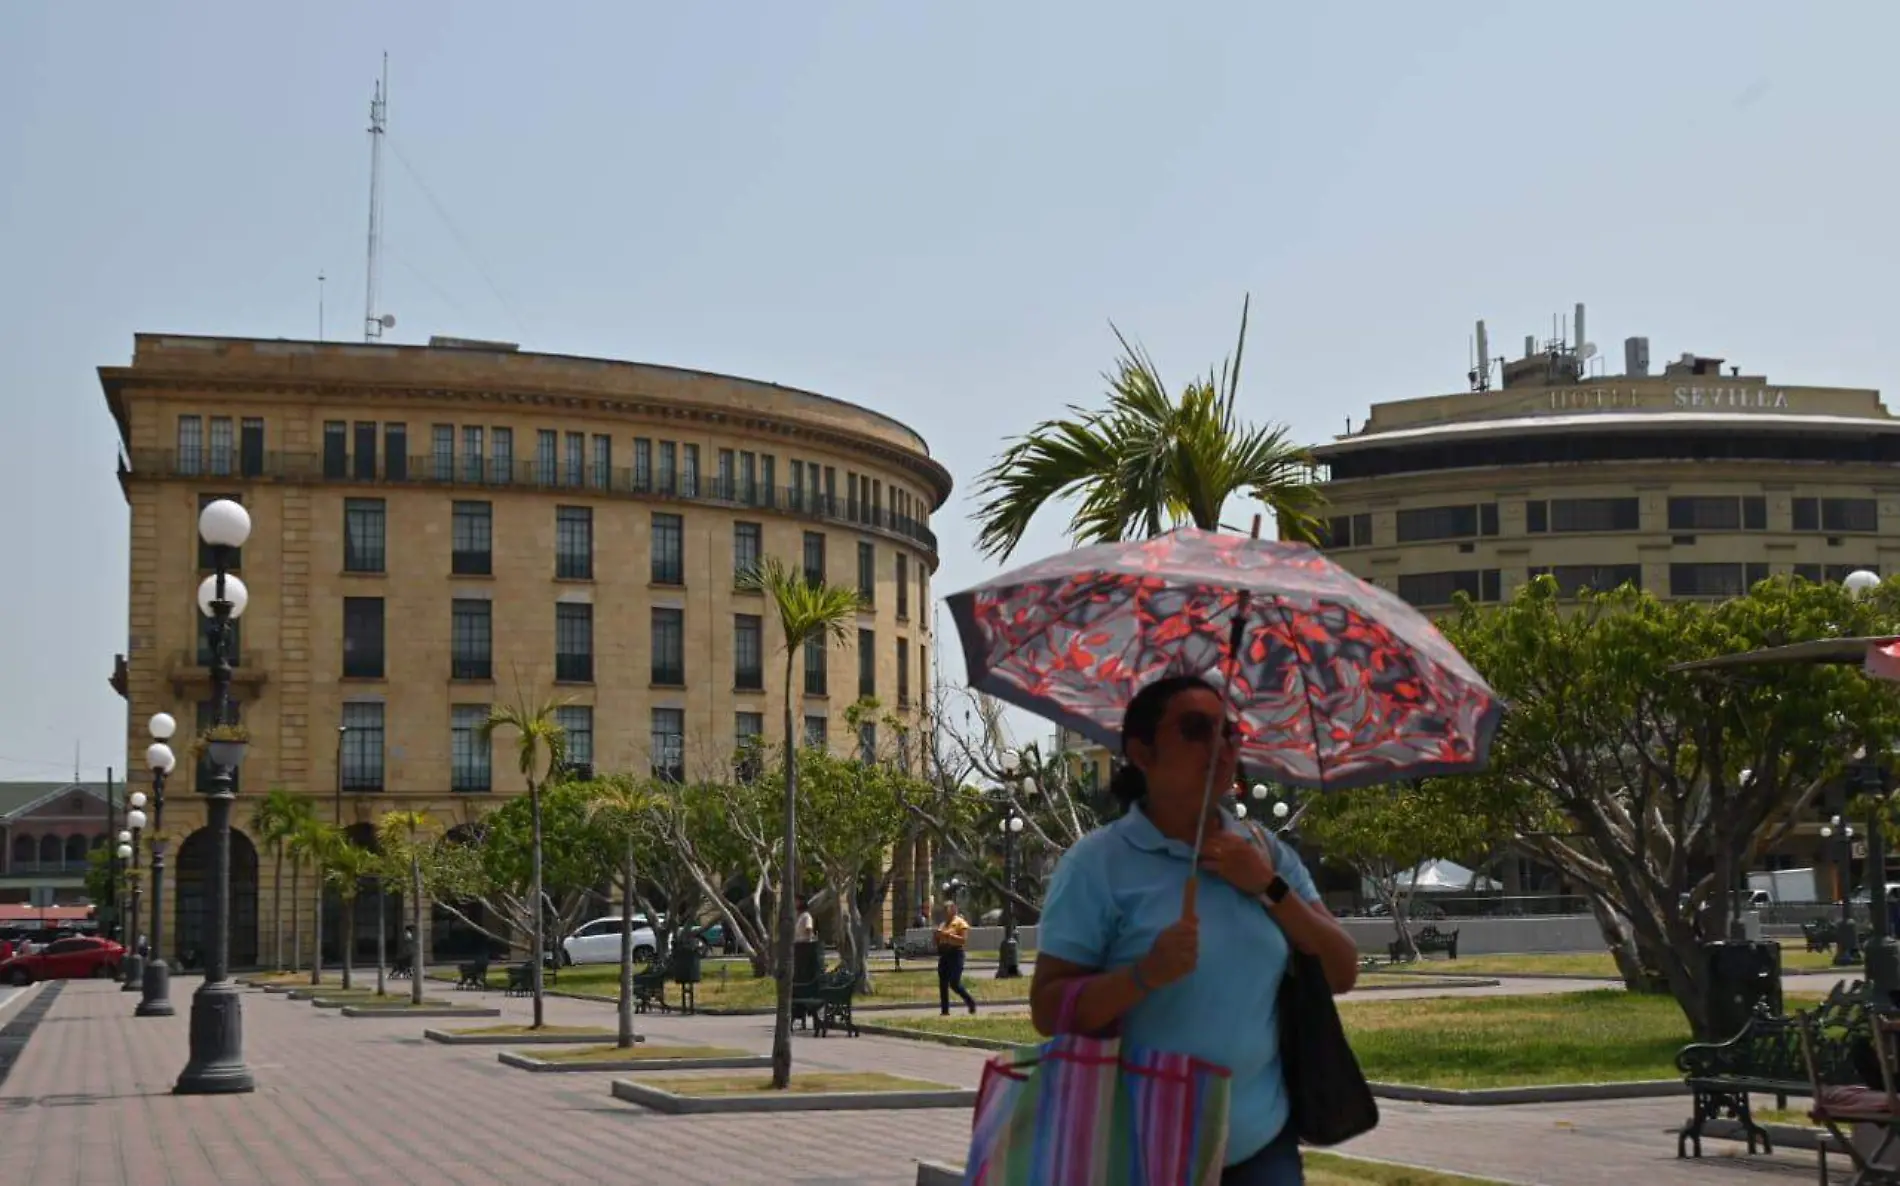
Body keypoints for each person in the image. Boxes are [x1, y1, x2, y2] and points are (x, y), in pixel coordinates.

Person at [1030, 675, 1362, 1186]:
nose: (1221, 746)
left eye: (1228, 732)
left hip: (1261, 1145)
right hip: (1139, 1151)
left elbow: (1342, 968)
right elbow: (1049, 1009)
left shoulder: (1264, 853)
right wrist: (1144, 975)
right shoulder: (1096, 865)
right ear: (1142, 753)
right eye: (1195, 729)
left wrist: (1267, 886)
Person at [935, 898, 976, 1015]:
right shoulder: (943, 924)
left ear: (953, 910)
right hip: (945, 954)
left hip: (956, 954)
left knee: (954, 983)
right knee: (943, 983)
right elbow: (938, 938)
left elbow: (963, 940)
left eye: (946, 909)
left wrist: (947, 937)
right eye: (943, 910)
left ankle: (970, 1002)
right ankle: (945, 1010)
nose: (944, 912)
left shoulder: (960, 923)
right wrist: (937, 938)